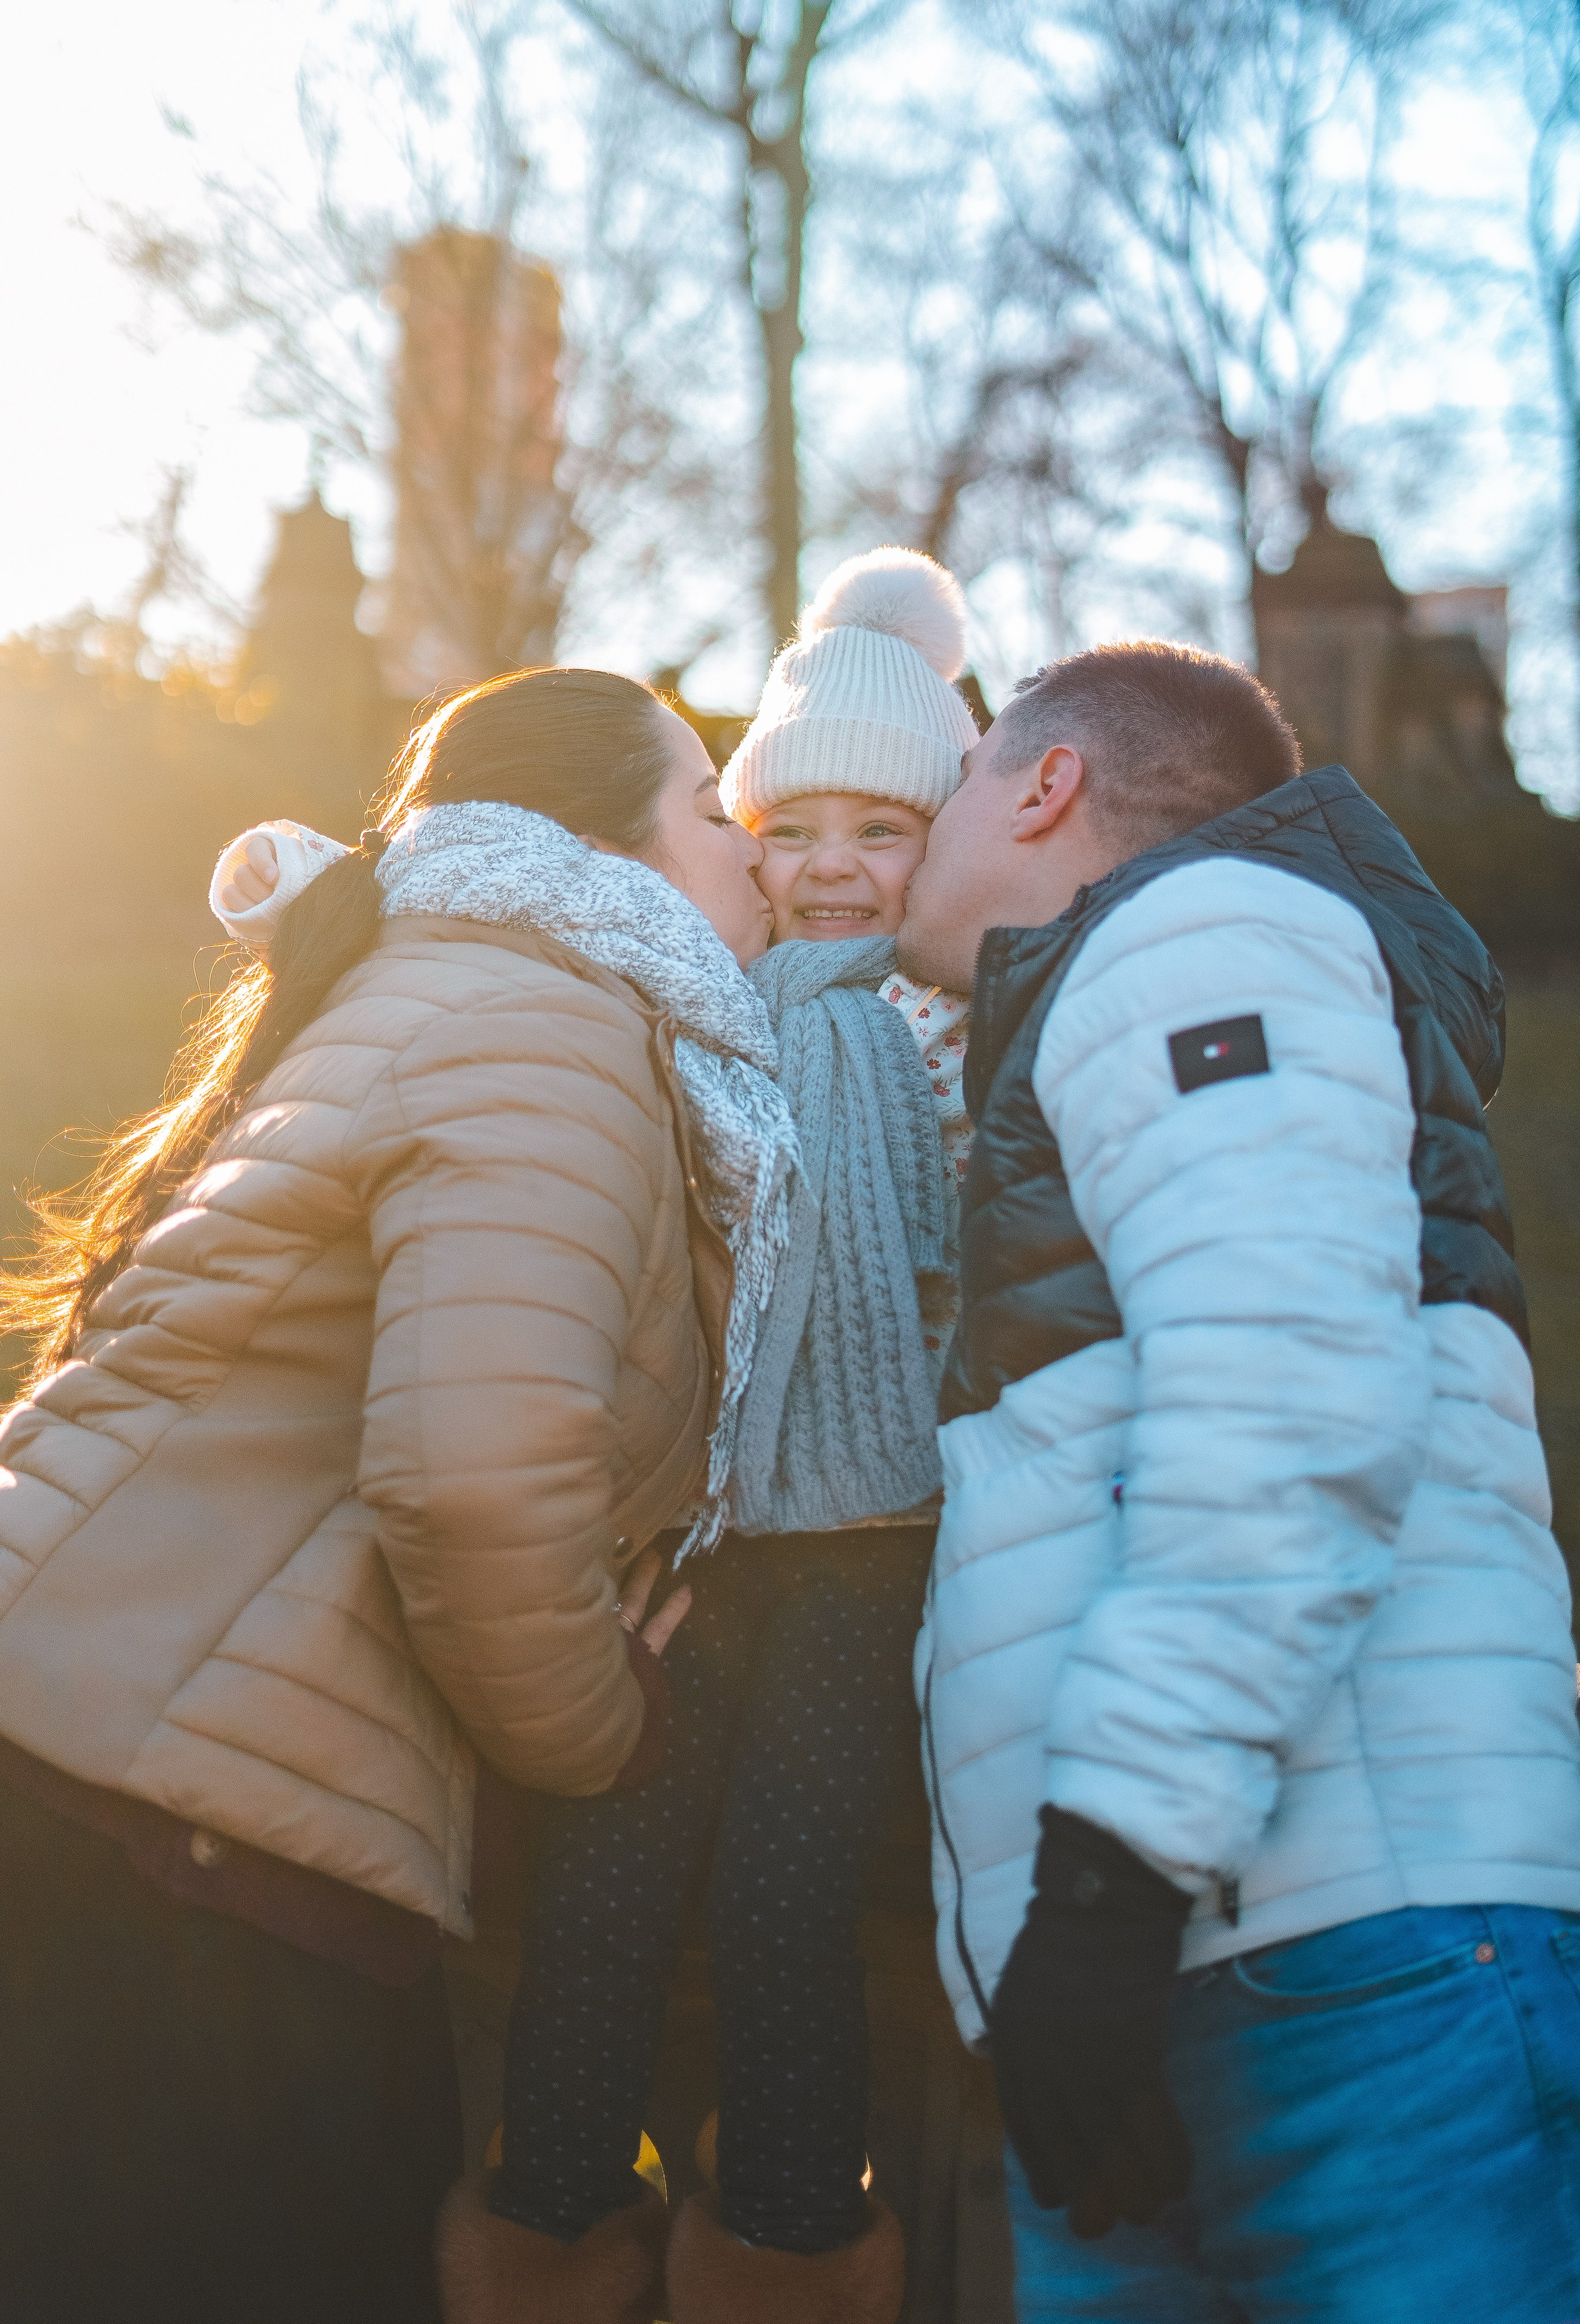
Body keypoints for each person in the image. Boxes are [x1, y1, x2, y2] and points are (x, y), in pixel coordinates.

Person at [215, 548, 980, 2324]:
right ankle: (549, 2217)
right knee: (611, 1866)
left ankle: (789, 2231)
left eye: (880, 832)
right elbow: (538, 964)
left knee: (787, 1884)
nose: (827, 867)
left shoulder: (948, 1023)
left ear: (935, 847)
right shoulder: (690, 997)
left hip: (872, 1539)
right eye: (782, 827)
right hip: (704, 1527)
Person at [0, 666, 796, 2324]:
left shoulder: (432, 987)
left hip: (103, 1757)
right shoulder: (553, 1024)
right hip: (179, 1847)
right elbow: (470, 1482)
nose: (755, 852)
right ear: (603, 854)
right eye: (714, 808)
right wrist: (607, 1725)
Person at [899, 640, 1580, 2322]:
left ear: (1047, 786)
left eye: (962, 774)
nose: (921, 819)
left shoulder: (1197, 936)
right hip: (1189, 1986)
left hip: (1343, 1967)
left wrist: (1106, 1891)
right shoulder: (1139, 984)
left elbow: (1285, 1403)